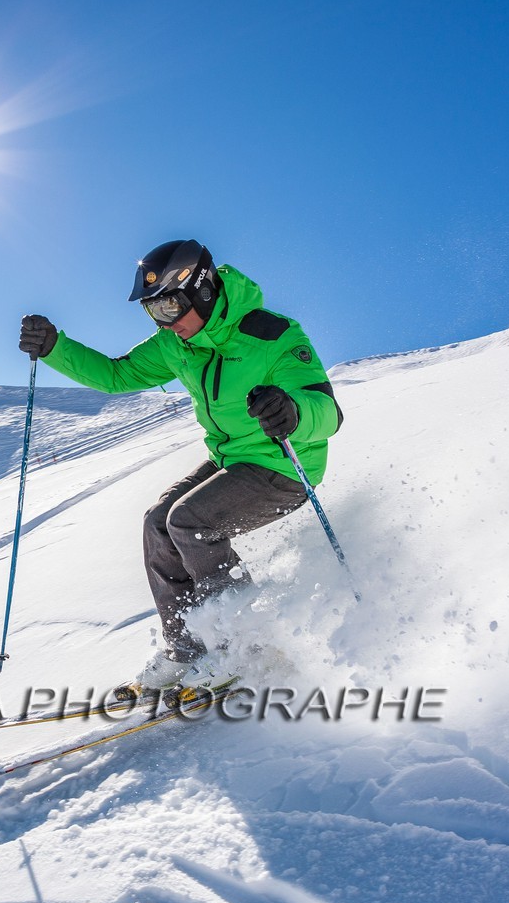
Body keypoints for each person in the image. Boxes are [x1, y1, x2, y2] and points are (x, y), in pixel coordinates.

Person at [19, 238, 342, 701]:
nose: (164, 321)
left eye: (170, 306)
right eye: (154, 311)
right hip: (233, 460)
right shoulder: (176, 343)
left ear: (203, 290)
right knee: (157, 523)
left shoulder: (271, 335)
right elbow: (117, 375)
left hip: (286, 464)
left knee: (191, 521)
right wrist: (55, 347)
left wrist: (292, 410)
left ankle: (241, 647)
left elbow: (328, 413)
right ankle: (186, 650)